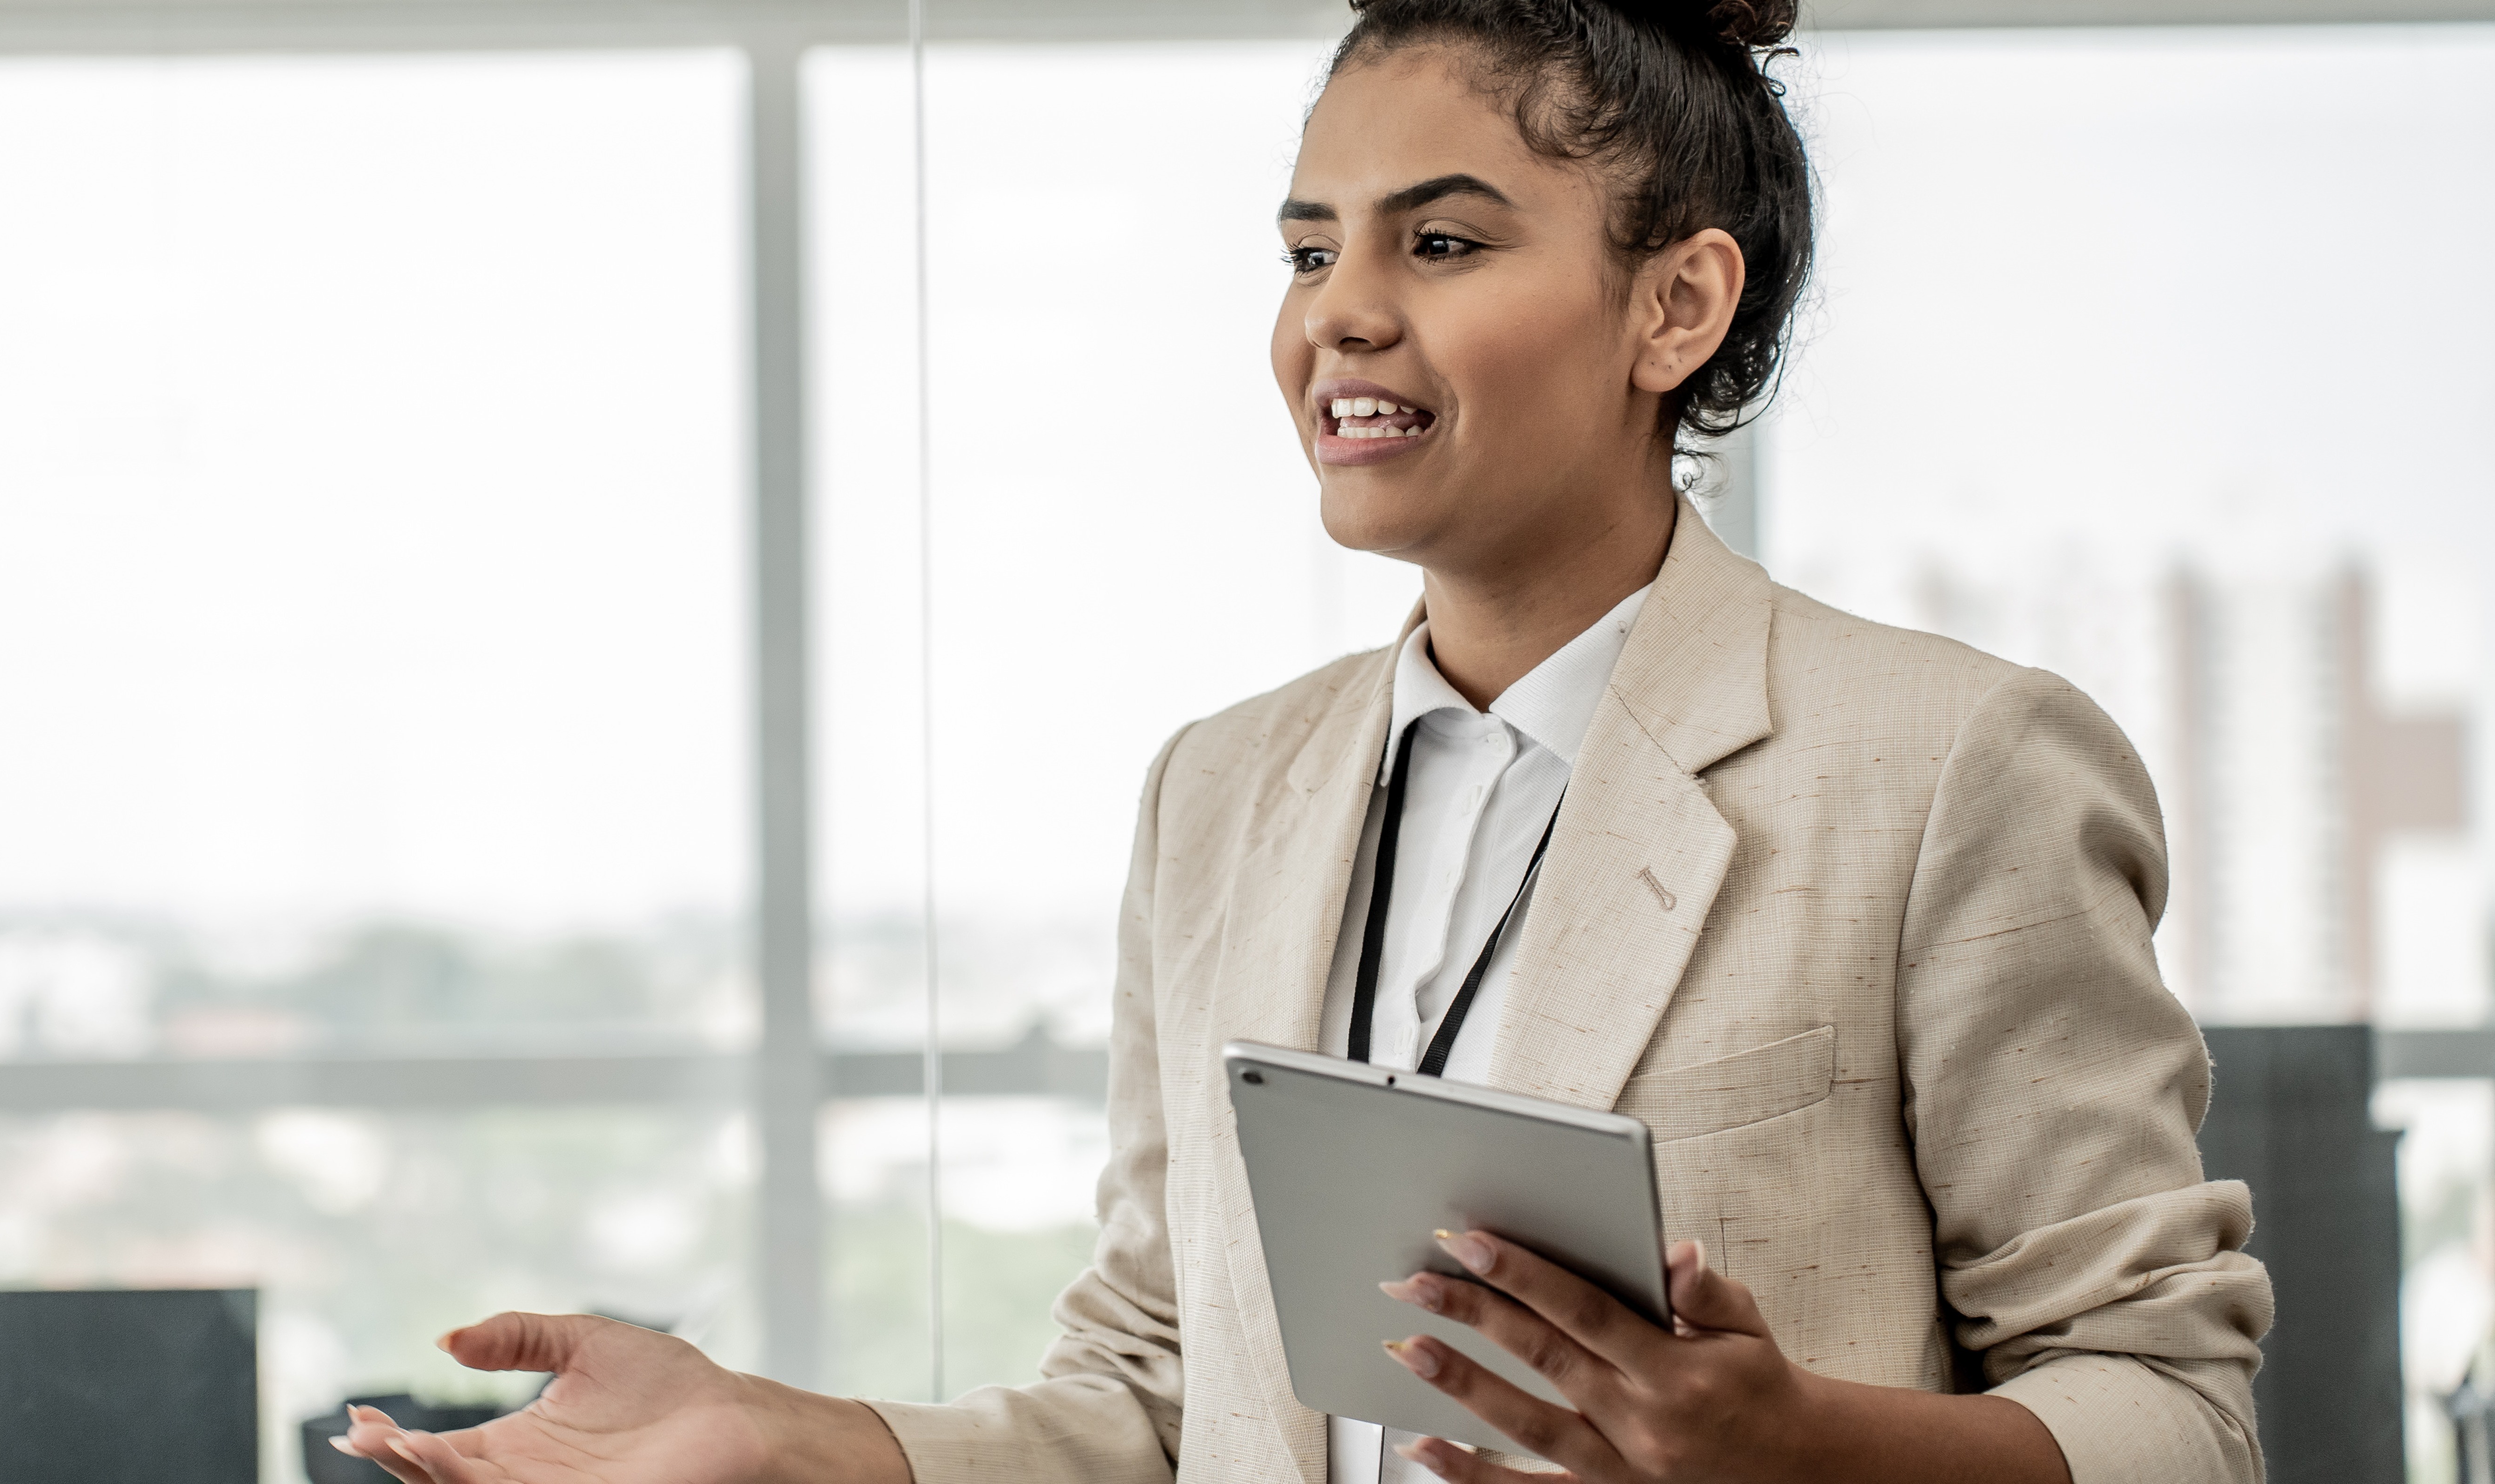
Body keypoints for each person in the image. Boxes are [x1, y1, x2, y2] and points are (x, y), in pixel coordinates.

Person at [337, 0, 2273, 1479]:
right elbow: (1161, 1385)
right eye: (1305, 249)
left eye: (1439, 246)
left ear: (1675, 303)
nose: (1339, 318)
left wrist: (1803, 1447)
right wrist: (789, 1431)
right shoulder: (1222, 792)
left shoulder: (1951, 762)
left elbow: (2172, 1399)